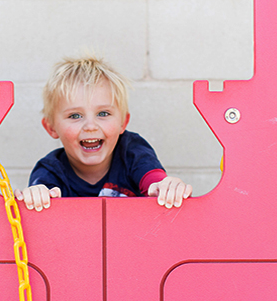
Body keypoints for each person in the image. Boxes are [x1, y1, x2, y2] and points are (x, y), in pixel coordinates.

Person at [14, 56, 192, 211]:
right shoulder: (50, 170)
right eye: (75, 116)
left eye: (103, 114)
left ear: (123, 123)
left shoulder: (132, 151)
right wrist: (37, 195)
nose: (90, 126)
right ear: (51, 127)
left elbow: (154, 181)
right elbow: (41, 199)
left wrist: (165, 186)